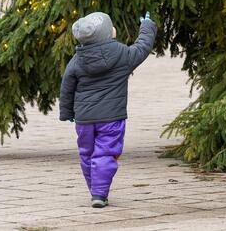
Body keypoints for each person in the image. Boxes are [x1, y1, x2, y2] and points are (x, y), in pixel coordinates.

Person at [59, 11, 157, 208]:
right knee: (105, 154)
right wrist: (147, 26)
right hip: (112, 118)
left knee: (86, 154)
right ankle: (99, 193)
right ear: (107, 34)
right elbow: (142, 47)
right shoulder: (123, 54)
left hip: (84, 119)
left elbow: (67, 88)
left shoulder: (77, 60)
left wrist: (67, 113)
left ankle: (95, 190)